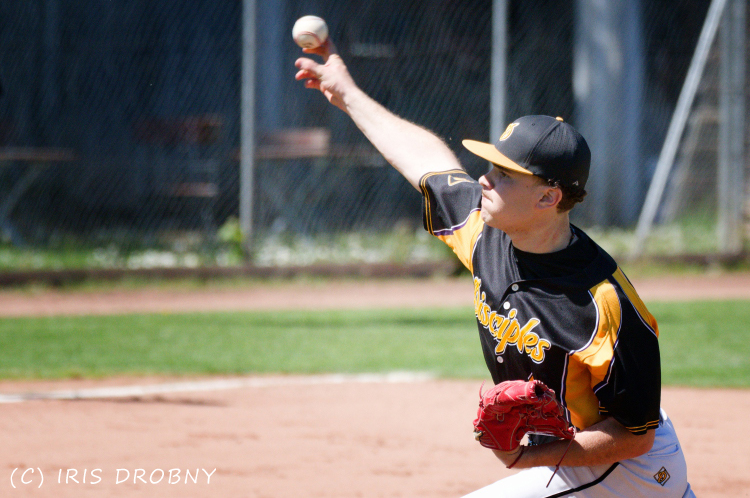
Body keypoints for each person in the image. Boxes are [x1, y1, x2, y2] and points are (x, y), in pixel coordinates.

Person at [295, 40, 694, 498]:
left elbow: (635, 435)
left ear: (548, 197)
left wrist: (527, 458)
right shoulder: (484, 233)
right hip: (581, 458)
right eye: (491, 166)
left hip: (631, 470)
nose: (484, 179)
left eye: (505, 174)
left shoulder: (602, 303)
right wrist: (347, 93)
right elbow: (426, 161)